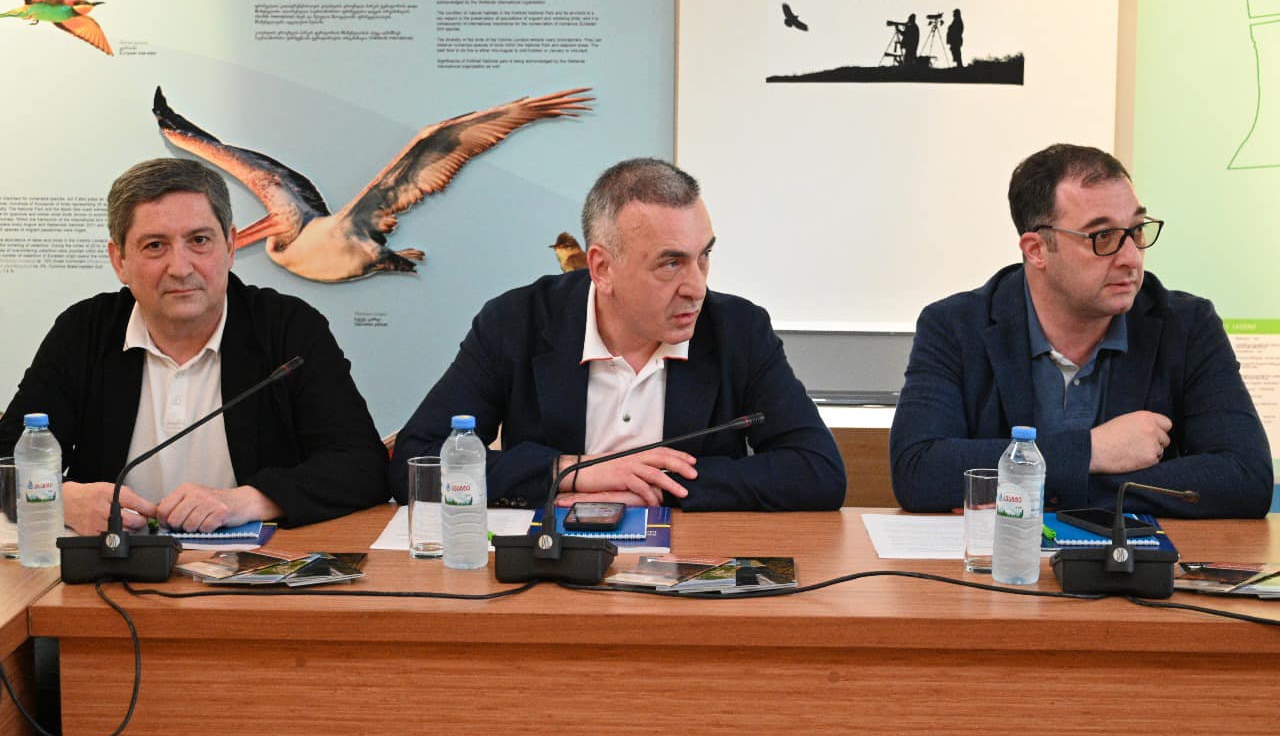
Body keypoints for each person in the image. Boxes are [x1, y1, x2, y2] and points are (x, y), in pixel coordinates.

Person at [391, 158, 846, 511]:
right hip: (548, 572)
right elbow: (416, 462)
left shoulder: (738, 329)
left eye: (703, 256)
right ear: (602, 268)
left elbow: (818, 471)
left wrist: (655, 485)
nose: (697, 288)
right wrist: (571, 472)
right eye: (671, 263)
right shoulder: (517, 321)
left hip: (685, 568)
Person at [0, 158, 389, 534]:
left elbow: (362, 465)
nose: (181, 268)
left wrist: (248, 501)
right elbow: (6, 457)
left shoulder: (287, 327)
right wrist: (60, 500)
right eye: (155, 245)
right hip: (113, 565)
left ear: (230, 246)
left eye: (199, 241)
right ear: (119, 261)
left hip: (252, 566)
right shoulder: (85, 331)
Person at [890, 144, 1271, 518]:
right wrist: (1092, 451)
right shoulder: (956, 325)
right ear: (1036, 250)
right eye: (1102, 237)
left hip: (1133, 557)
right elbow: (919, 471)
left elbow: (1245, 478)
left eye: (1137, 230)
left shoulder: (1187, 325)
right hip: (998, 556)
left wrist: (1042, 493)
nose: (1130, 258)